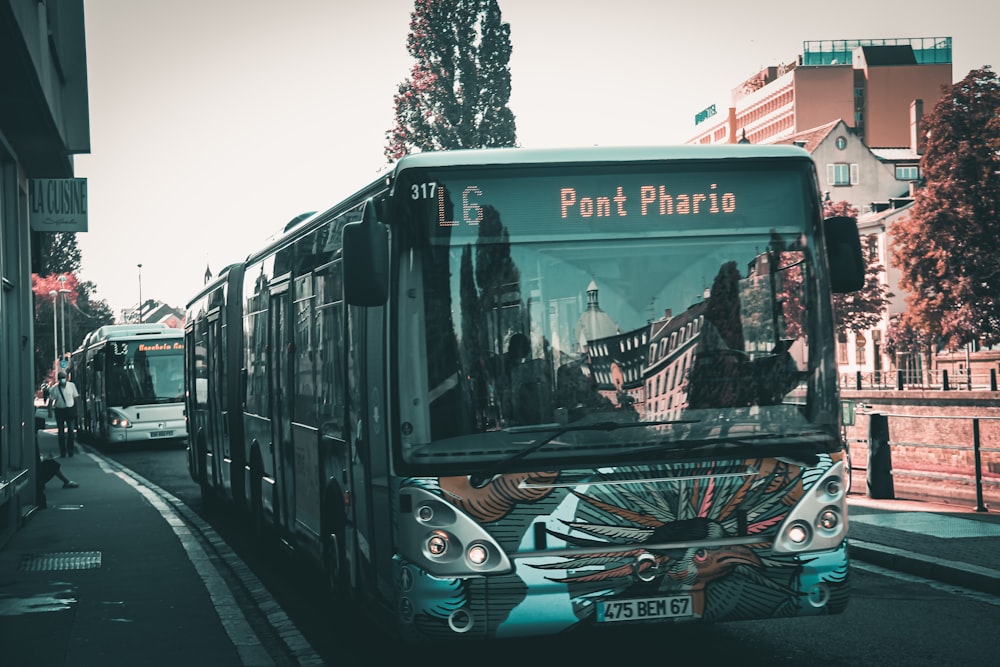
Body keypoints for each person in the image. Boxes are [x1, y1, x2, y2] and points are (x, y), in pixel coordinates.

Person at [48, 371, 80, 457]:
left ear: (66, 378)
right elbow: (50, 401)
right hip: (60, 411)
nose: (63, 379)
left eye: (64, 377)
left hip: (70, 410)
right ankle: (63, 452)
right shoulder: (55, 389)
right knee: (61, 433)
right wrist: (50, 412)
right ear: (58, 379)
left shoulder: (71, 386)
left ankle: (70, 450)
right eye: (61, 378)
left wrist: (77, 410)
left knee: (71, 431)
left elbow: (76, 398)